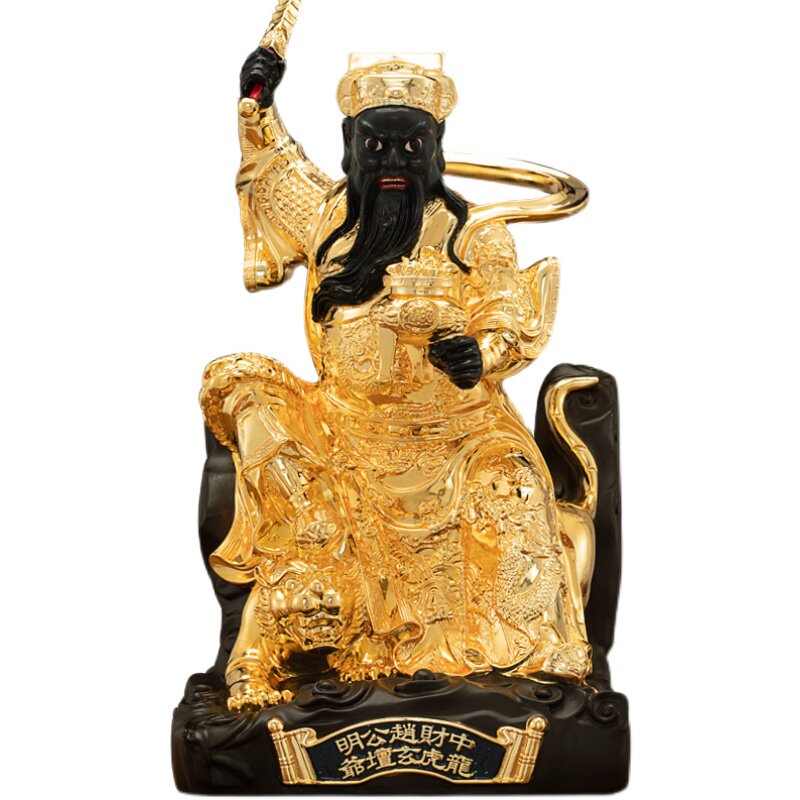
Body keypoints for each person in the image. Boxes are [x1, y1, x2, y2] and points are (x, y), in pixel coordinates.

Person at [201, 48, 593, 709]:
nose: (392, 162)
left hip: (457, 433)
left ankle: (517, 657)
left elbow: (506, 310)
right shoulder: (328, 216)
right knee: (237, 381)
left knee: (511, 484)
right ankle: (306, 549)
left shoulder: (475, 232)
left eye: (411, 147)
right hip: (343, 425)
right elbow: (274, 164)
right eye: (375, 146)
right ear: (349, 147)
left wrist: (480, 354)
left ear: (436, 150)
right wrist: (258, 101)